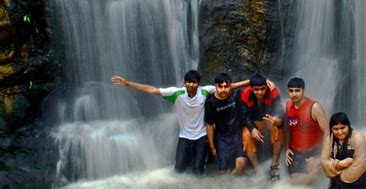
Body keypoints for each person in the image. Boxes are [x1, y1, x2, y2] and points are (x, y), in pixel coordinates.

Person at [111, 70, 248, 176]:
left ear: (198, 84)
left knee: (198, 171)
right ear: (184, 82)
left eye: (194, 82)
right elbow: (152, 90)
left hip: (201, 136)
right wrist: (128, 84)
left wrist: (251, 82)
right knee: (179, 169)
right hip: (184, 136)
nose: (191, 85)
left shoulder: (206, 91)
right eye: (188, 82)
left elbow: (229, 86)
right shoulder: (176, 93)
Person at [321, 112, 366, 189]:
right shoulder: (329, 140)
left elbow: (360, 164)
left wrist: (338, 173)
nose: (339, 132)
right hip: (337, 184)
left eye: (342, 128)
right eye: (336, 129)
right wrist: (340, 164)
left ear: (348, 126)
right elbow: (324, 161)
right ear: (331, 129)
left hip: (359, 184)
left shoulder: (358, 138)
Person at [283, 77, 329, 185]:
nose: (294, 94)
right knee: (294, 181)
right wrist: (286, 149)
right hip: (296, 151)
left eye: (297, 91)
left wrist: (320, 156)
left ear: (303, 91)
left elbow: (328, 132)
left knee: (311, 179)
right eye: (291, 91)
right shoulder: (287, 106)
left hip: (314, 150)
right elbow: (287, 129)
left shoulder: (314, 107)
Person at [241, 72, 284, 181]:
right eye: (256, 89)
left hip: (269, 120)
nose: (259, 92)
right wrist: (252, 128)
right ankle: (258, 169)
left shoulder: (273, 92)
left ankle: (274, 165)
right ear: (251, 88)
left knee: (278, 128)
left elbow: (280, 113)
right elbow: (244, 115)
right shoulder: (245, 94)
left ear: (266, 87)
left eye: (262, 89)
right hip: (255, 123)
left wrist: (277, 120)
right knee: (246, 135)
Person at [204, 73, 247, 176]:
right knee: (223, 172)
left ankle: (233, 183)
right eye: (220, 87)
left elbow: (255, 86)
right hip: (221, 138)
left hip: (236, 136)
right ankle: (225, 187)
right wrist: (212, 146)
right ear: (216, 86)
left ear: (230, 86)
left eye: (226, 86)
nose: (223, 90)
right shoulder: (211, 102)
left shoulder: (236, 95)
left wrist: (266, 81)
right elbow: (209, 125)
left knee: (241, 163)